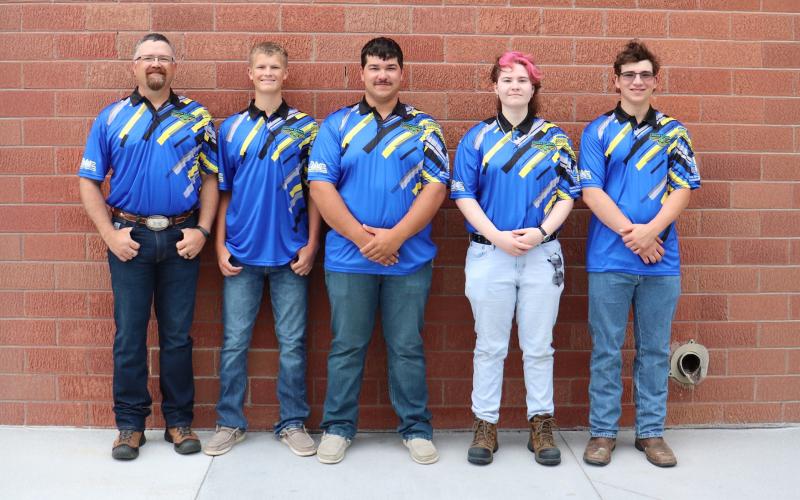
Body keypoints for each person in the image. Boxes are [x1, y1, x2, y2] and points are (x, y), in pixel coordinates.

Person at [308, 37, 449, 465]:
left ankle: (416, 428)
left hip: (408, 259)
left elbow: (435, 187)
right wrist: (365, 240)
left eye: (389, 67)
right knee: (347, 344)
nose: (382, 75)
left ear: (401, 73)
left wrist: (395, 238)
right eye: (374, 67)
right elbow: (320, 185)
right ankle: (337, 426)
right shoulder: (336, 125)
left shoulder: (425, 127)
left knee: (406, 345)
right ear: (362, 73)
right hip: (349, 259)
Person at [78, 33, 218, 460]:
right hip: (130, 239)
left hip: (181, 238)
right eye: (147, 57)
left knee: (177, 337)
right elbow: (88, 180)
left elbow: (212, 179)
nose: (155, 64)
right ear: (134, 66)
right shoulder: (112, 117)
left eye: (163, 57)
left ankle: (179, 422)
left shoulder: (198, 118)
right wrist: (109, 234)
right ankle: (130, 425)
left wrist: (204, 231)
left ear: (174, 66)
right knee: (130, 337)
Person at [451, 51, 581, 466]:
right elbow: (463, 194)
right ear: (495, 87)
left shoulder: (554, 138)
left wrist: (542, 231)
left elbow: (567, 194)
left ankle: (541, 424)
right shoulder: (476, 138)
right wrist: (496, 236)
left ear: (533, 88)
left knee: (538, 345)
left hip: (542, 253)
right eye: (507, 79)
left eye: (522, 80)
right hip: (490, 253)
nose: (514, 86)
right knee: (489, 346)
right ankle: (485, 425)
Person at [579, 39, 701, 468]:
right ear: (616, 81)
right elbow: (590, 190)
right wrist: (635, 235)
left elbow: (682, 188)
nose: (636, 81)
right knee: (606, 349)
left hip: (661, 260)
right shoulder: (596, 131)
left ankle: (651, 433)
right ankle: (603, 433)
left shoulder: (674, 131)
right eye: (628, 74)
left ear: (656, 81)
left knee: (653, 349)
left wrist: (652, 233)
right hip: (610, 259)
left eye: (644, 74)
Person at [203, 42, 319, 458]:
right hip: (241, 255)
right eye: (261, 67)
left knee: (293, 342)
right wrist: (219, 246)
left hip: (290, 255)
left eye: (275, 67)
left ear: (286, 74)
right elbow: (223, 193)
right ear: (249, 73)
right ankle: (229, 422)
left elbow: (316, 194)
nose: (268, 72)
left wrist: (312, 244)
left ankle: (292, 422)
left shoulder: (307, 128)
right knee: (234, 342)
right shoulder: (230, 130)